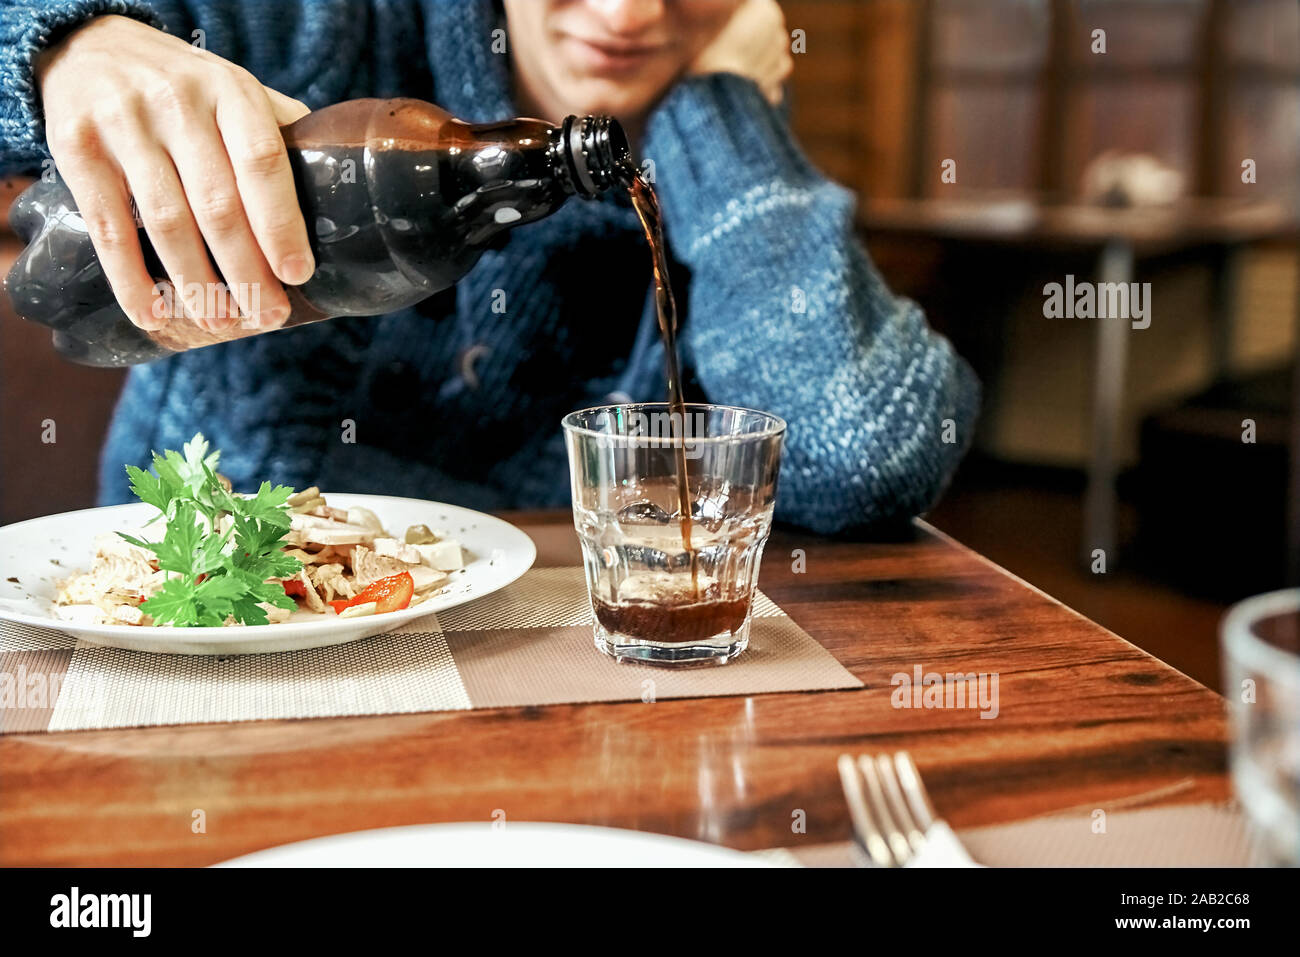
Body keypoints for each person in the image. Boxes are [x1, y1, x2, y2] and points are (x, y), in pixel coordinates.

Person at [0, 0, 979, 534]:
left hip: (565, 666)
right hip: (232, 631)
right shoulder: (330, 26)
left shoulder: (714, 122)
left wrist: (724, 108)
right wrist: (64, 47)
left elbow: (862, 458)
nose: (628, 14)